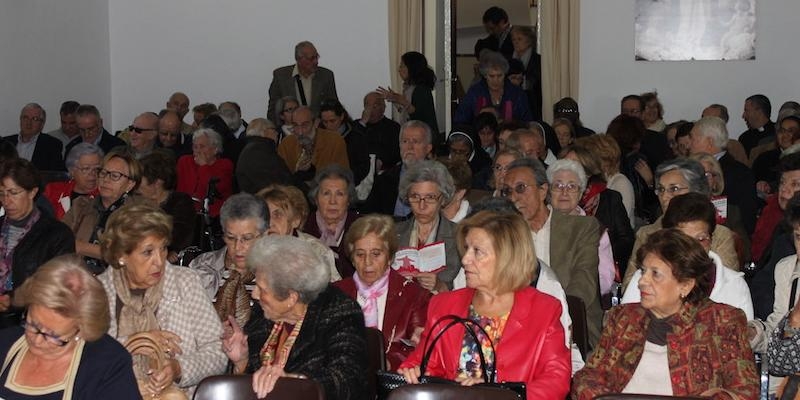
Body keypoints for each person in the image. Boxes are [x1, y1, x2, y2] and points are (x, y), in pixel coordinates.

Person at [398, 210, 571, 399]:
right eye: (466, 249)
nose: (465, 260)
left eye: (477, 252)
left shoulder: (544, 310)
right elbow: (421, 364)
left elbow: (556, 380)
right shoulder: (443, 305)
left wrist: (499, 395)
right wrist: (413, 373)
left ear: (507, 257)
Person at [572, 229, 759, 399]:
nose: (642, 281)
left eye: (655, 274)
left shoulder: (723, 322)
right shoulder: (623, 318)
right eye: (643, 271)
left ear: (685, 285)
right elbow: (588, 377)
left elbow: (746, 391)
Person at [98, 204, 227, 395]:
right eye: (148, 252)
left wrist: (178, 368)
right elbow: (81, 359)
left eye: (163, 248)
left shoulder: (185, 282)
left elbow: (218, 354)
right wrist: (133, 342)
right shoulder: (98, 292)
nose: (159, 261)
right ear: (121, 255)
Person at [222, 235, 367, 400]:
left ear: (291, 297)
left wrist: (296, 384)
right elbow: (249, 387)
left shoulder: (340, 312)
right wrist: (242, 361)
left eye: (262, 289)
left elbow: (348, 381)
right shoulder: (264, 313)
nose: (255, 295)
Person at [0, 255, 139, 398]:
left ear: (82, 330)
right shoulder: (4, 343)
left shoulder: (107, 366)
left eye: (53, 335)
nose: (37, 341)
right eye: (33, 325)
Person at [501, 157, 603, 347]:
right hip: (517, 327)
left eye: (521, 188)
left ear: (543, 190)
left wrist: (549, 316)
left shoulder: (581, 227)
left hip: (570, 324)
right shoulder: (506, 233)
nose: (513, 197)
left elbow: (584, 281)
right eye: (508, 191)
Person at [621, 193, 754, 320]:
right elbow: (626, 326)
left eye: (701, 239)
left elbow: (742, 336)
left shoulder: (734, 284)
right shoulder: (645, 278)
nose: (692, 247)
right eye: (683, 240)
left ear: (711, 239)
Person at [621, 158, 741, 292]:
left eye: (674, 189)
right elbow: (629, 286)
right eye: (661, 189)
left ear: (696, 191)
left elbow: (727, 287)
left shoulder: (719, 235)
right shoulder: (647, 234)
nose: (664, 196)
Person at [333, 214, 430, 369]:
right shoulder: (335, 293)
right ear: (352, 258)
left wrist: (389, 363)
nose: (367, 262)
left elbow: (420, 347)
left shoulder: (415, 296)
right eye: (360, 254)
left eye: (376, 254)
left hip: (391, 383)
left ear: (390, 257)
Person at [0, 158, 75, 316]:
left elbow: (58, 287)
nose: (6, 201)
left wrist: (13, 300)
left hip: (27, 315)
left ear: (32, 192)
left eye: (13, 193)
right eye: (1, 194)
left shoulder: (57, 234)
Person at [546, 159, 627, 298]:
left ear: (581, 193)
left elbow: (605, 279)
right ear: (548, 191)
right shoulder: (538, 224)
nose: (564, 192)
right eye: (558, 185)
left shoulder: (595, 229)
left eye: (572, 186)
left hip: (582, 304)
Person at [62, 149, 150, 274]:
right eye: (103, 173)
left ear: (130, 184)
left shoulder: (140, 212)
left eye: (115, 176)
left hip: (120, 279)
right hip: (77, 276)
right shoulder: (82, 205)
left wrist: (82, 247)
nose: (106, 180)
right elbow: (57, 239)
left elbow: (131, 254)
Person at [190, 193, 268, 327]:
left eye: (247, 238)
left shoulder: (275, 274)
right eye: (231, 238)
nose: (238, 247)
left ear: (264, 235)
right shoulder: (202, 266)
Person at [395, 160, 462, 292]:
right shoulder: (393, 232)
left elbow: (456, 285)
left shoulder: (457, 234)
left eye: (430, 197)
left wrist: (439, 285)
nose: (422, 206)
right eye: (415, 196)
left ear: (442, 199)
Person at [256, 184, 342, 282]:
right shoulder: (249, 246)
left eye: (277, 215)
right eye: (265, 216)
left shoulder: (317, 252)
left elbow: (335, 293)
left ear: (295, 220)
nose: (270, 223)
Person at [689, 116, 758, 235]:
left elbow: (746, 220)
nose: (689, 145)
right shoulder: (687, 168)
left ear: (709, 142)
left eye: (693, 139)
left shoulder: (739, 174)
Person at [362, 120, 433, 217]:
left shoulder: (437, 178)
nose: (410, 147)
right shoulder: (385, 179)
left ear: (428, 148)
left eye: (415, 141)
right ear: (399, 146)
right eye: (405, 141)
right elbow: (368, 215)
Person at [137, 152, 196, 263]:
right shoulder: (136, 201)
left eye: (141, 179)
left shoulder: (180, 202)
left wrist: (167, 250)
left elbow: (178, 234)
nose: (136, 183)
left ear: (157, 183)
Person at [303, 165, 360, 278]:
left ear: (348, 200)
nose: (332, 201)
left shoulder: (361, 227)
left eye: (339, 194)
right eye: (326, 193)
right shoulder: (304, 226)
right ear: (316, 198)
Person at [454, 50, 532, 125]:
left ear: (505, 74)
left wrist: (505, 122)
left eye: (499, 75)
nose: (496, 80)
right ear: (485, 75)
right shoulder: (475, 92)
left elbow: (527, 122)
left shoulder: (517, 93)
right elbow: (460, 120)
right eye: (491, 76)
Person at [267, 41, 338, 121]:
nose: (316, 61)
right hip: (289, 129)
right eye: (311, 58)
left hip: (318, 129)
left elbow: (334, 106)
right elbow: (273, 109)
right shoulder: (281, 76)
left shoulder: (326, 75)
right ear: (299, 59)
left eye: (316, 57)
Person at [277, 106, 350, 182]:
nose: (300, 132)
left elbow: (343, 178)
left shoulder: (334, 141)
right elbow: (282, 179)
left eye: (305, 125)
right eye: (295, 125)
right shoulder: (286, 144)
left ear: (315, 123)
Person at [377, 51, 439, 139]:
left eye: (402, 66)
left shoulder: (421, 90)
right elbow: (404, 111)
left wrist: (401, 101)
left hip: (423, 138)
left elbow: (419, 117)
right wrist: (394, 99)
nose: (399, 69)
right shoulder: (409, 88)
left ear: (412, 68)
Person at [175, 127, 234, 218]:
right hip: (185, 213)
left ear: (215, 149)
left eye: (202, 146)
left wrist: (204, 166)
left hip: (213, 215)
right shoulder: (184, 161)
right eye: (195, 146)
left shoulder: (225, 165)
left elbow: (215, 188)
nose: (198, 150)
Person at [43, 143, 103, 220]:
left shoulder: (103, 194)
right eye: (86, 169)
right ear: (72, 171)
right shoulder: (52, 190)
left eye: (97, 169)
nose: (92, 174)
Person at [235, 118, 294, 194]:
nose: (277, 133)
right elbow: (277, 184)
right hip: (270, 202)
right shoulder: (258, 152)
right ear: (265, 131)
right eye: (274, 129)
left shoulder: (254, 150)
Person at [319, 99, 370, 184]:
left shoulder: (356, 137)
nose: (328, 125)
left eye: (332, 121)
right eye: (325, 122)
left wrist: (346, 180)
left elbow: (363, 167)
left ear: (342, 116)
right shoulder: (319, 136)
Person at [7, 103, 64, 172]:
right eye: (25, 117)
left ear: (42, 124)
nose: (29, 123)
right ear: (20, 120)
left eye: (35, 119)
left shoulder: (52, 145)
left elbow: (54, 175)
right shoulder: (5, 142)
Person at [356, 92, 402, 170]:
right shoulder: (357, 126)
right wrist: (362, 123)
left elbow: (396, 153)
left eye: (375, 105)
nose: (370, 110)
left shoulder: (394, 127)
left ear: (383, 108)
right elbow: (353, 146)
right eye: (368, 106)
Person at [510, 26, 542, 121]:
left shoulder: (537, 60)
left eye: (519, 39)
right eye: (513, 39)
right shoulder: (508, 61)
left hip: (533, 103)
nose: (515, 42)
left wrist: (522, 81)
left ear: (529, 41)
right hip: (512, 102)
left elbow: (537, 81)